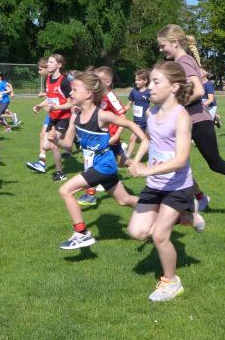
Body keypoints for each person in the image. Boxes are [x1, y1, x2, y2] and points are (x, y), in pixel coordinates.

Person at [127, 61, 205, 301]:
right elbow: (148, 139)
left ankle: (171, 282)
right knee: (137, 232)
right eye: (150, 81)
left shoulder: (181, 117)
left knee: (160, 235)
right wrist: (135, 160)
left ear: (174, 87)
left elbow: (181, 159)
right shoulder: (151, 112)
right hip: (155, 185)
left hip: (177, 187)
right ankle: (187, 217)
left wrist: (146, 171)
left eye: (156, 82)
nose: (150, 87)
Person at [49, 72, 147, 250]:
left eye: (74, 89)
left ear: (88, 94)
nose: (70, 93)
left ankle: (81, 233)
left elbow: (128, 123)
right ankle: (155, 209)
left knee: (65, 190)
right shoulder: (75, 116)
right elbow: (68, 145)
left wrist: (145, 140)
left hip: (104, 166)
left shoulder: (101, 115)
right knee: (124, 200)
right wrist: (56, 141)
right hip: (97, 166)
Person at [157, 24, 225, 211]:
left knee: (216, 163)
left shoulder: (183, 61)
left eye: (162, 45)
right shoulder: (181, 61)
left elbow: (198, 90)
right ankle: (196, 198)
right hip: (187, 121)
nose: (160, 49)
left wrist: (173, 105)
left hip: (197, 120)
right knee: (173, 162)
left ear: (175, 42)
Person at [77, 66, 128, 206]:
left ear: (107, 82)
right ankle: (91, 194)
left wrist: (116, 136)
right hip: (98, 137)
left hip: (110, 138)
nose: (95, 82)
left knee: (120, 163)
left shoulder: (111, 96)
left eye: (97, 80)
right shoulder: (95, 96)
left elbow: (123, 117)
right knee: (91, 163)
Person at [26, 54, 73, 181]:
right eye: (48, 62)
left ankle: (60, 172)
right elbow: (51, 98)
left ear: (59, 65)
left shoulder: (64, 81)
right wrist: (40, 106)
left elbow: (71, 103)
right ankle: (69, 145)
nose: (48, 64)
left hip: (64, 118)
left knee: (53, 142)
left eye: (51, 62)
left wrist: (55, 107)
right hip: (53, 118)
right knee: (46, 145)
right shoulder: (48, 79)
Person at [124, 69, 151, 159]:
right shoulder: (133, 91)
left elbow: (157, 102)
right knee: (138, 139)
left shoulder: (149, 92)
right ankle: (150, 151)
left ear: (145, 81)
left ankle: (127, 157)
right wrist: (121, 111)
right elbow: (129, 104)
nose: (136, 82)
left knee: (134, 138)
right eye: (136, 80)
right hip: (136, 121)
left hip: (145, 121)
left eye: (139, 80)